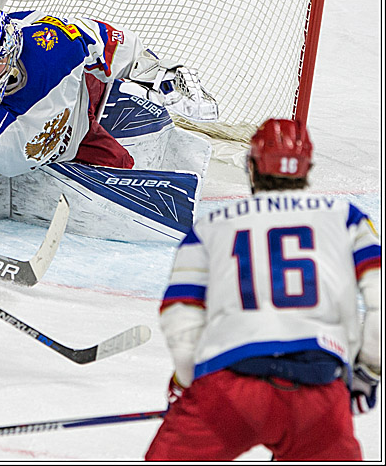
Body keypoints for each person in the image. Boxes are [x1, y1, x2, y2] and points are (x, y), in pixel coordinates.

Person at [0, 6, 219, 250]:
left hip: (75, 127)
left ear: (11, 51)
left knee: (122, 170)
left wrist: (165, 77)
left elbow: (117, 45)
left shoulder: (53, 41)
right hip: (14, 156)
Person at [145, 118, 380, 460]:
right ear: (307, 169)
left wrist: (186, 381)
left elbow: (180, 312)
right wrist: (369, 372)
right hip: (316, 393)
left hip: (230, 389)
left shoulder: (212, 225)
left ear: (252, 167)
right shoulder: (347, 218)